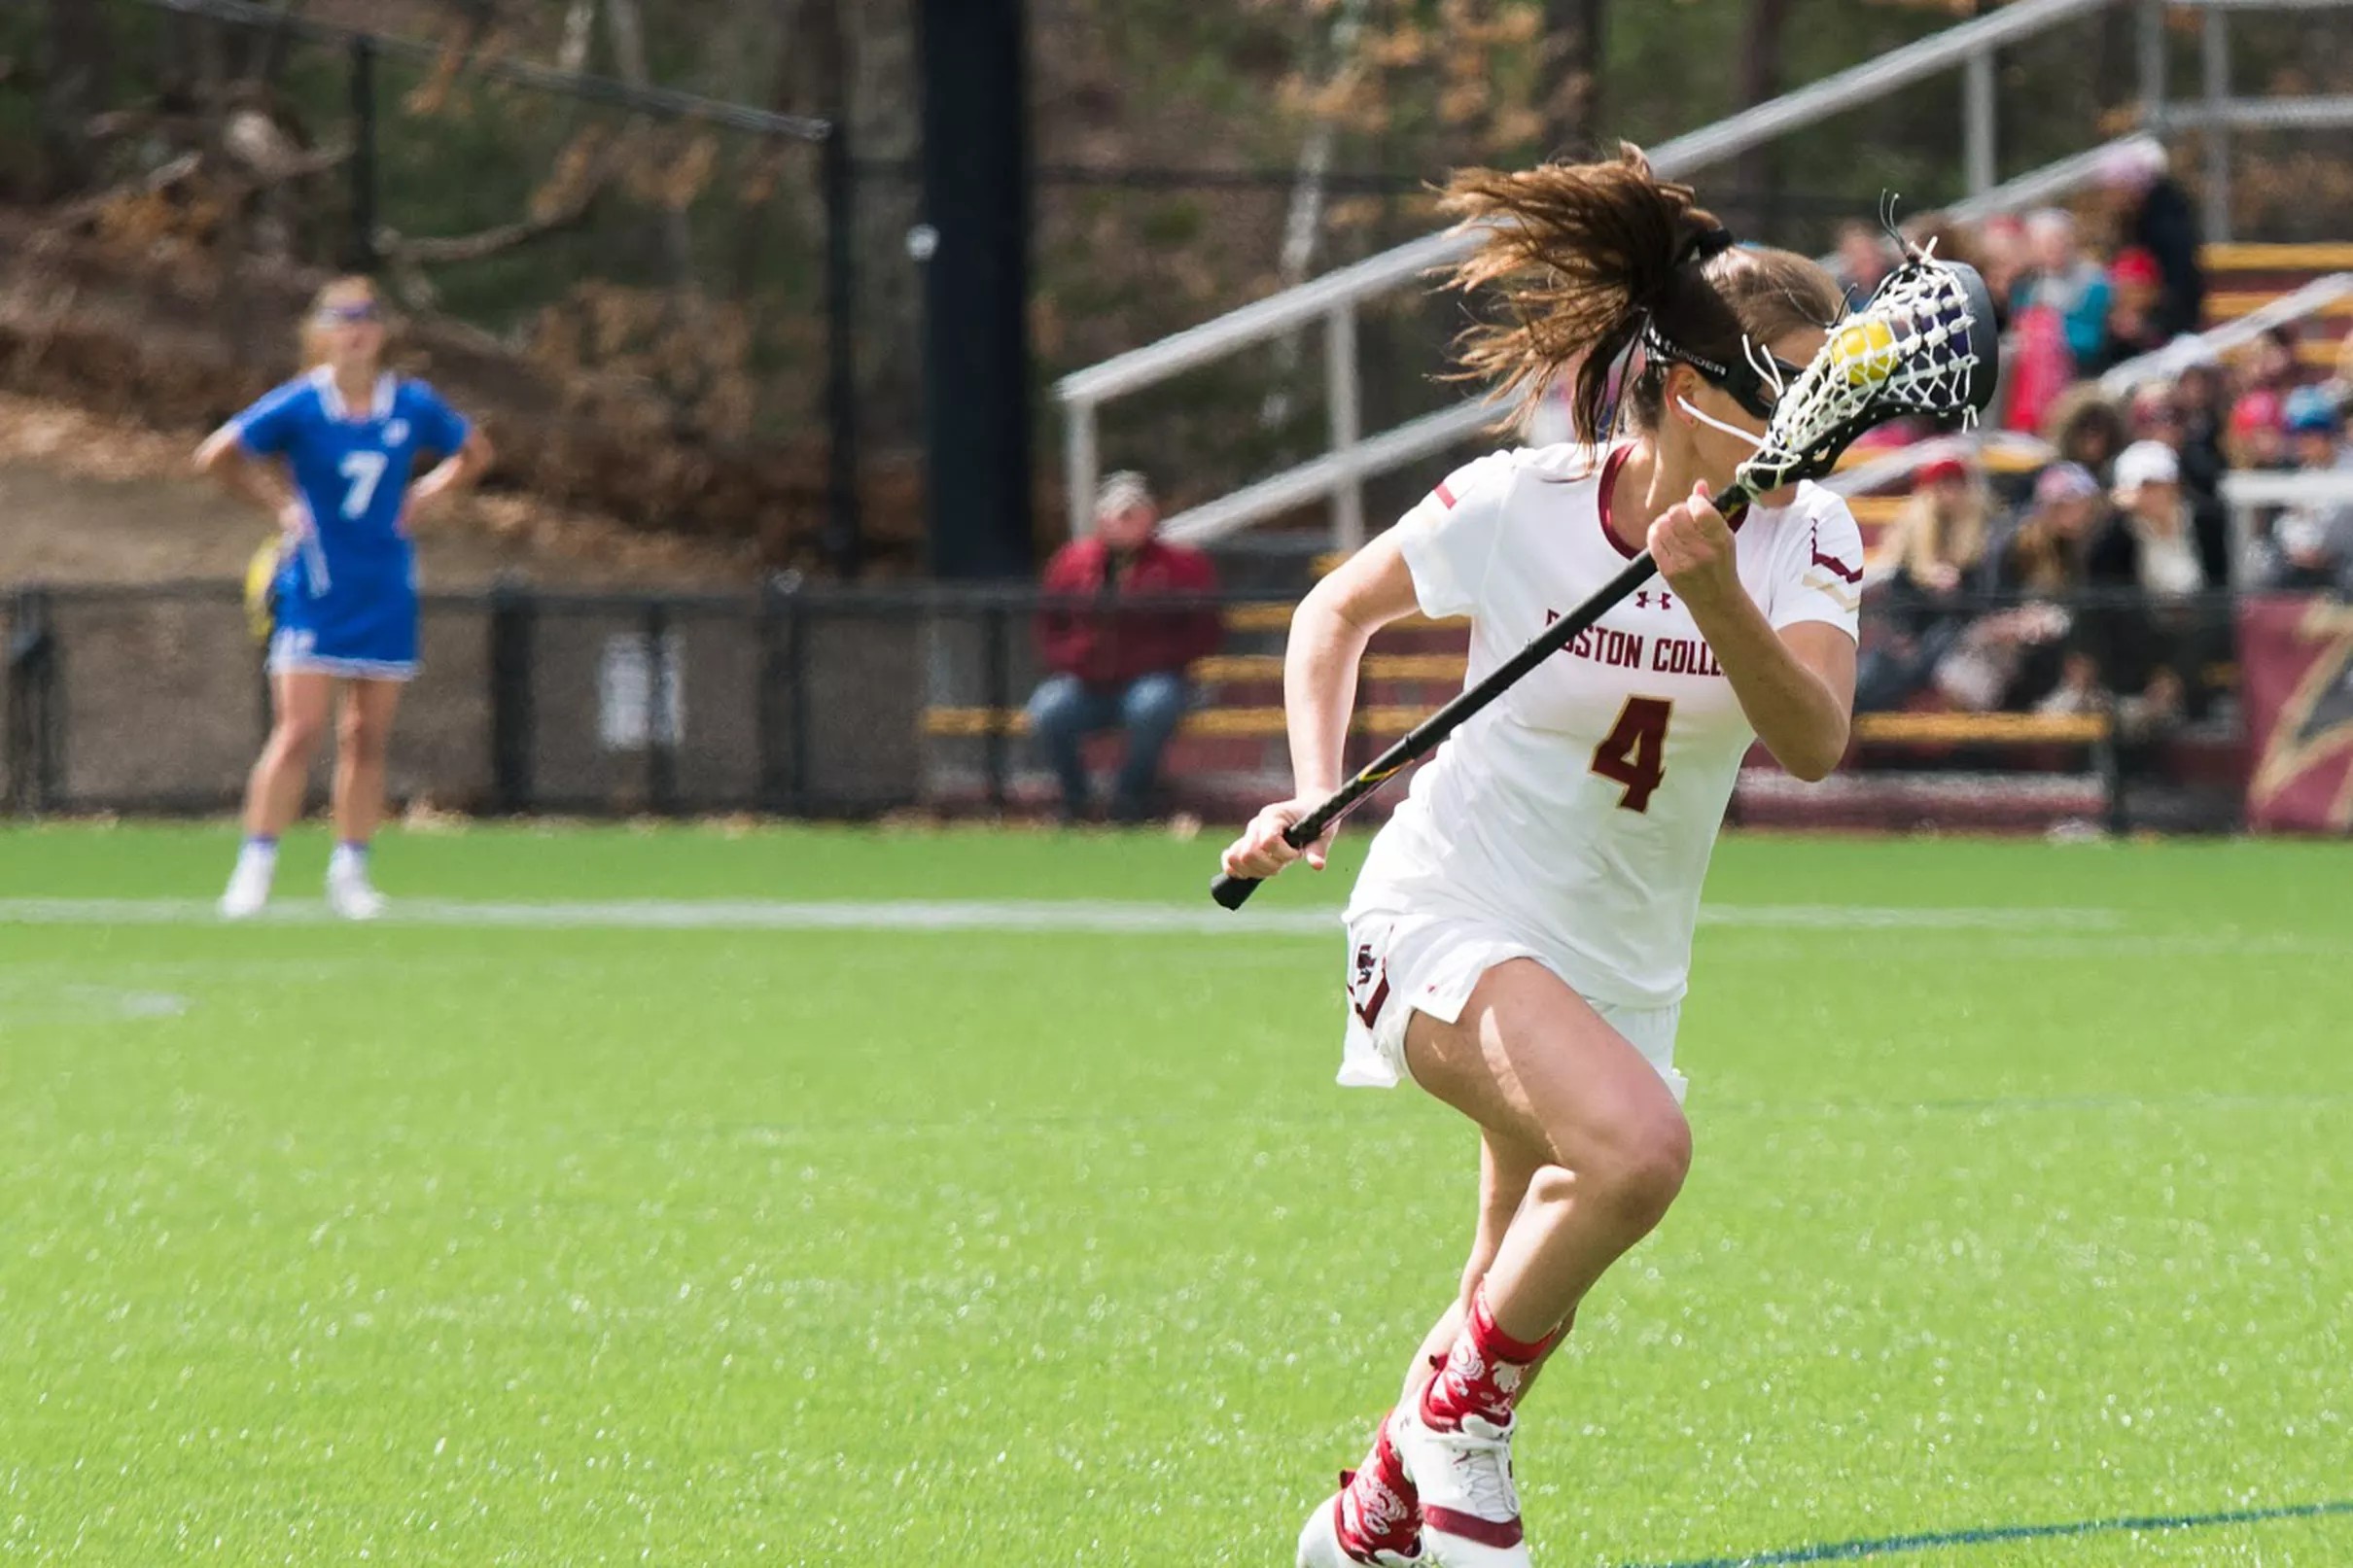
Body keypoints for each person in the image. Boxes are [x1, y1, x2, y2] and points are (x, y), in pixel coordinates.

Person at [1218, 147, 1860, 1568]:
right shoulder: (1522, 500)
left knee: (1509, 1269)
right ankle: (1459, 1442)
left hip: (1621, 963)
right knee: (1639, 1150)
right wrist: (1319, 788)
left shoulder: (1807, 535)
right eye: (1785, 391)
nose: (1811, 425)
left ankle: (1372, 1510)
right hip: (1449, 908)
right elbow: (1335, 614)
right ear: (1692, 384)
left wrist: (1712, 590)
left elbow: (1811, 738)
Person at [197, 277, 492, 920]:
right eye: (342, 318)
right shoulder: (302, 404)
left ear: (381, 332)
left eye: (366, 318)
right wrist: (280, 506)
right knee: (298, 729)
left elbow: (473, 452)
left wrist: (427, 496)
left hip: (383, 584)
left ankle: (351, 869)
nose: (355, 330)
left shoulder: (410, 404)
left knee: (365, 735)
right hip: (317, 583)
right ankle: (256, 864)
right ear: (322, 332)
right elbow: (218, 453)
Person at [1027, 471, 1221, 822]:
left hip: (1153, 680)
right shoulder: (1072, 562)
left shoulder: (1180, 565)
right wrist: (1078, 658)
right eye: (1119, 514)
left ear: (1151, 516)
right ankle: (1076, 801)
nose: (1126, 522)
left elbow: (1205, 628)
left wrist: (1159, 657)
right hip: (1089, 685)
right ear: (1102, 518)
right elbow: (1048, 625)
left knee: (1151, 705)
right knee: (1048, 708)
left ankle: (1129, 799)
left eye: (1135, 513)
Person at [1856, 456, 1991, 711]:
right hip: (1915, 631)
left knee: (1932, 649)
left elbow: (1982, 601)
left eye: (1955, 484)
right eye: (1942, 484)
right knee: (1880, 666)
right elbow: (1898, 596)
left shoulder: (1983, 536)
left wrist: (1955, 591)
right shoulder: (1912, 539)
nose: (1949, 493)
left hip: (1958, 632)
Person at [2096, 138, 2204, 338]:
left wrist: (2148, 320)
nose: (2109, 198)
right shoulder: (2131, 221)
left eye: (2113, 189)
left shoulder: (2165, 225)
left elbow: (2179, 283)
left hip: (2168, 320)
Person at [2015, 208, 2112, 369]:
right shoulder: (2028, 287)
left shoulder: (2095, 281)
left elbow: (2097, 337)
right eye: (2045, 244)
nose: (2054, 248)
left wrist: (2052, 331)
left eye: (2059, 240)